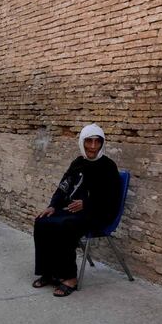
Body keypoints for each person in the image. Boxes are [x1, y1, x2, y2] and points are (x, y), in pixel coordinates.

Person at [33, 124, 121, 297]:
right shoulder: (78, 163)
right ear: (82, 142)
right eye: (89, 141)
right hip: (74, 210)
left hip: (99, 214)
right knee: (42, 221)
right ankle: (49, 273)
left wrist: (87, 204)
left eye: (97, 142)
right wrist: (53, 205)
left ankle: (69, 278)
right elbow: (63, 187)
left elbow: (112, 198)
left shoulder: (108, 166)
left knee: (65, 226)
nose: (93, 147)